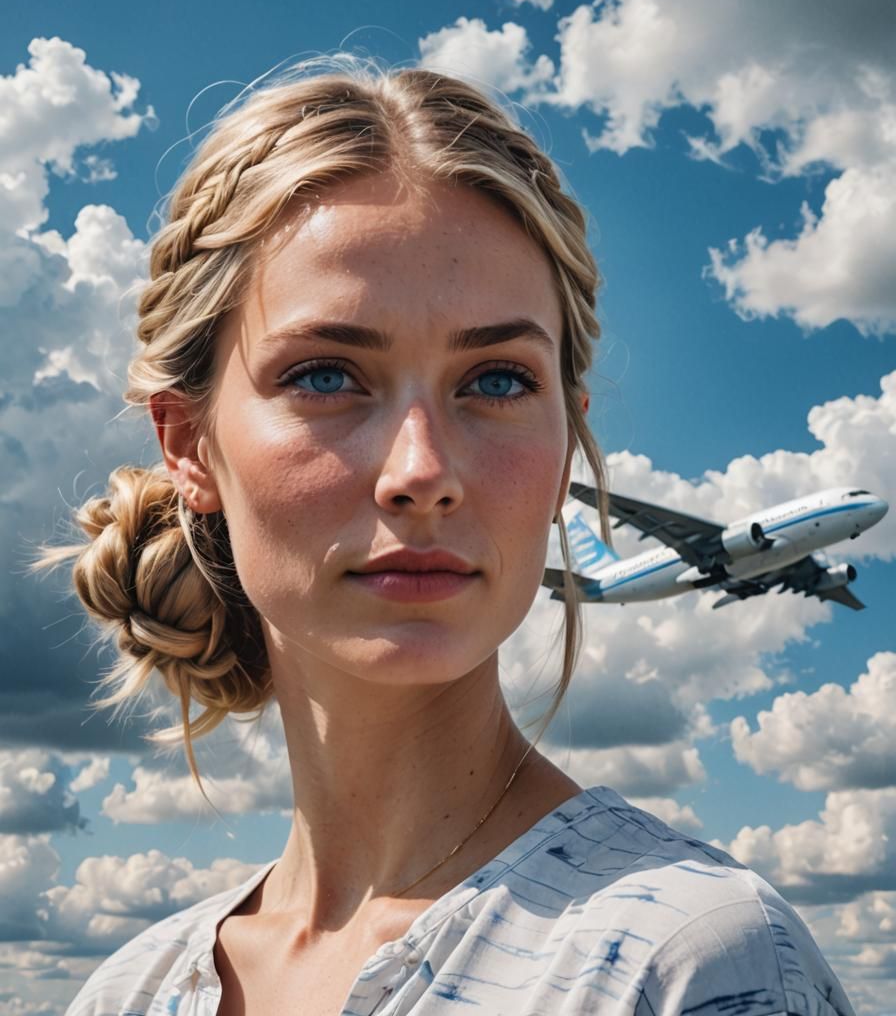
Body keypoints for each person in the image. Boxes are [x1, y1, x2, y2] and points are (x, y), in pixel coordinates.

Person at [37, 57, 854, 1016]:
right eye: (326, 375)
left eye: (498, 380)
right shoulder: (125, 993)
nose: (422, 470)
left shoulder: (693, 967)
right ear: (190, 444)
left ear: (566, 451)